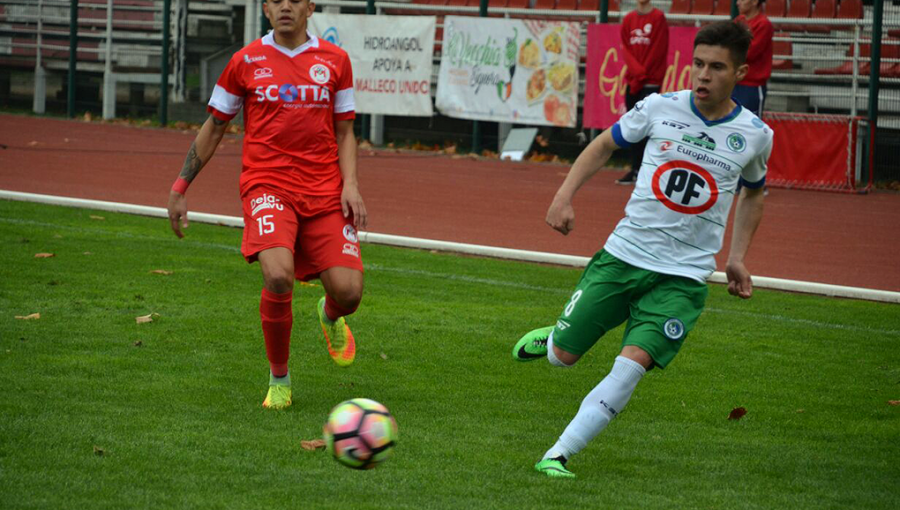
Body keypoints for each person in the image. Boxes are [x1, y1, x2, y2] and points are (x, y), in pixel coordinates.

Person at [513, 20, 772, 478]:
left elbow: (754, 193)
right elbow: (602, 146)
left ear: (741, 73)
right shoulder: (659, 107)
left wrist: (736, 257)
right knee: (562, 358)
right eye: (698, 64)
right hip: (623, 256)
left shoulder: (754, 135)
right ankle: (555, 339)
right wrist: (563, 196)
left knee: (630, 367)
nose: (703, 76)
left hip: (684, 278)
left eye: (716, 67)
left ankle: (556, 455)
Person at [166, 0, 367, 410]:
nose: (285, 6)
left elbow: (344, 130)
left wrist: (351, 185)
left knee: (349, 293)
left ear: (310, 6)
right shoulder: (245, 61)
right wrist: (181, 185)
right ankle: (280, 379)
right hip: (267, 185)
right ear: (265, 9)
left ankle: (329, 315)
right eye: (275, 0)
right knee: (278, 276)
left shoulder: (336, 60)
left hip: (325, 189)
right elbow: (216, 125)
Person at [616, 0, 669, 185]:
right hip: (634, 80)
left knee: (648, 127)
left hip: (650, 80)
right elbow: (625, 48)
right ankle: (635, 168)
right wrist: (637, 73)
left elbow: (658, 49)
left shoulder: (658, 17)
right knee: (634, 126)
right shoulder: (629, 19)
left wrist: (643, 73)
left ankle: (648, 171)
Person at [733, 0, 773, 117]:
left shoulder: (763, 24)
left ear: (755, 1)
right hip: (735, 82)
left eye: (742, 0)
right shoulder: (738, 21)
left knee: (751, 125)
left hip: (752, 87)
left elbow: (749, 53)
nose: (737, 3)